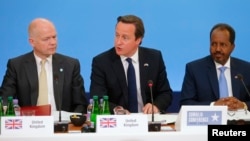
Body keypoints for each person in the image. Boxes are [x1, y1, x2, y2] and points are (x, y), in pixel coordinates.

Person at [0, 18, 88, 113]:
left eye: (54, 37)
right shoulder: (16, 65)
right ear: (32, 42)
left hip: (63, 124)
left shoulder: (70, 65)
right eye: (46, 39)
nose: (53, 42)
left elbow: (80, 104)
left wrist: (72, 121)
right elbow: (5, 100)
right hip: (29, 123)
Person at [90, 14, 173, 114]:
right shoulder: (101, 62)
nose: (118, 42)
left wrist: (155, 106)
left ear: (138, 40)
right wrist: (117, 110)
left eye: (125, 38)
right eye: (117, 35)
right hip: (117, 123)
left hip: (146, 120)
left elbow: (165, 93)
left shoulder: (154, 58)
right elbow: (98, 98)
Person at [180, 23, 250, 111]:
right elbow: (185, 103)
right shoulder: (194, 69)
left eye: (222, 45)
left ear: (232, 47)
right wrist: (213, 105)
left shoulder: (246, 69)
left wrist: (243, 105)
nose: (217, 49)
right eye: (213, 44)